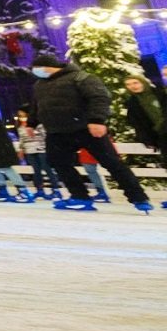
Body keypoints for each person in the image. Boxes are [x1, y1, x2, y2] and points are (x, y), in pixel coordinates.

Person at [28, 55, 152, 214]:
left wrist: (97, 120)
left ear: (47, 66)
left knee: (112, 163)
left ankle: (138, 197)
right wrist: (32, 122)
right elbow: (37, 105)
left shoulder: (81, 78)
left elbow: (99, 98)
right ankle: (80, 197)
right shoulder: (40, 84)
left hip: (86, 129)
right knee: (58, 163)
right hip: (57, 132)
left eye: (36, 68)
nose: (35, 72)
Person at [123, 75, 167, 208]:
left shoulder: (160, 93)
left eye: (135, 82)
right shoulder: (132, 102)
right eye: (129, 84)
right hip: (160, 136)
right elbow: (137, 123)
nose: (133, 86)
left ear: (143, 82)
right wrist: (147, 139)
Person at [14, 104, 60, 200]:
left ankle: (56, 190)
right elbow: (22, 138)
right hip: (29, 150)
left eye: (23, 114)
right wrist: (21, 149)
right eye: (20, 115)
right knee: (36, 170)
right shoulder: (20, 126)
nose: (21, 117)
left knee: (47, 169)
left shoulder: (38, 124)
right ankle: (39, 190)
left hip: (41, 148)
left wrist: (33, 132)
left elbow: (45, 135)